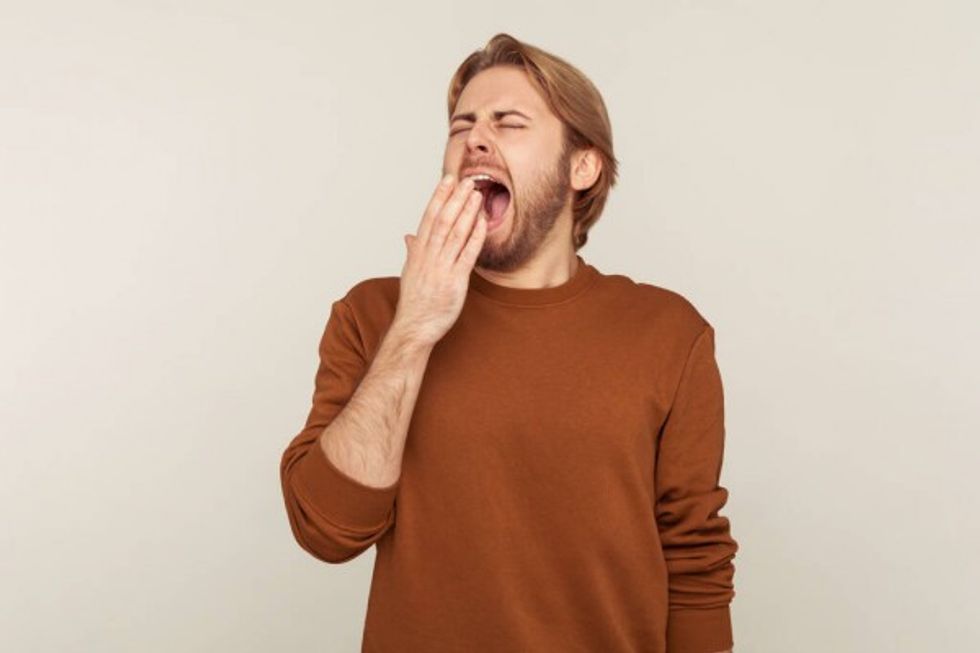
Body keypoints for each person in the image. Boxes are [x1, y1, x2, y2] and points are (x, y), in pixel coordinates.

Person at [279, 33, 738, 653]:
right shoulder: (374, 314)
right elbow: (328, 531)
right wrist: (415, 327)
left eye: (509, 123)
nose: (474, 139)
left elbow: (695, 561)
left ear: (583, 166)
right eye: (461, 124)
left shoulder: (669, 334)